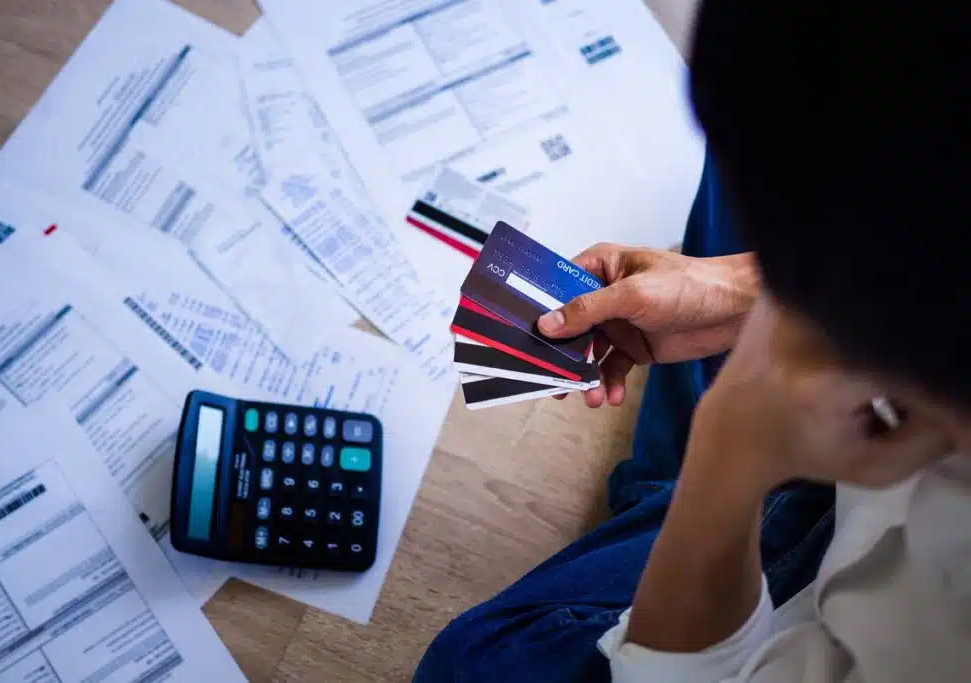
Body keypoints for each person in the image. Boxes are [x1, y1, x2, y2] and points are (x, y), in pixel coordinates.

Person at [414, 1, 969, 681]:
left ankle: (665, 510)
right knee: (780, 105)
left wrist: (729, 451)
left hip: (831, 562)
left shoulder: (938, 627)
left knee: (471, 667)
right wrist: (739, 290)